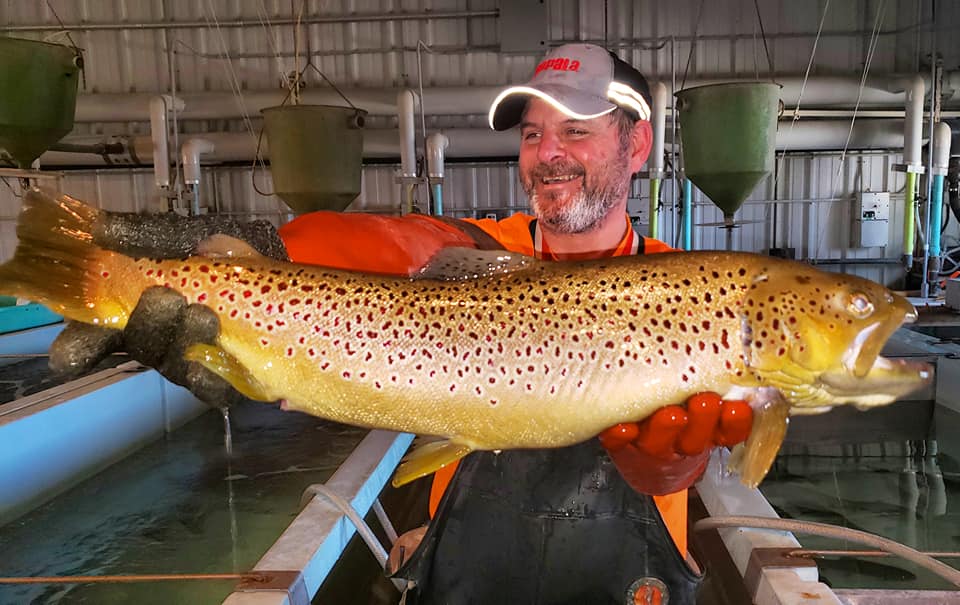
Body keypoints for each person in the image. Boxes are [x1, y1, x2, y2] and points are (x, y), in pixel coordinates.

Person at [51, 44, 752, 604]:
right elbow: (397, 242)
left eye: (575, 129)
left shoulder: (681, 288)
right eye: (534, 133)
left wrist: (668, 462)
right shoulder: (485, 250)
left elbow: (679, 465)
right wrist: (258, 252)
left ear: (636, 144)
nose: (547, 153)